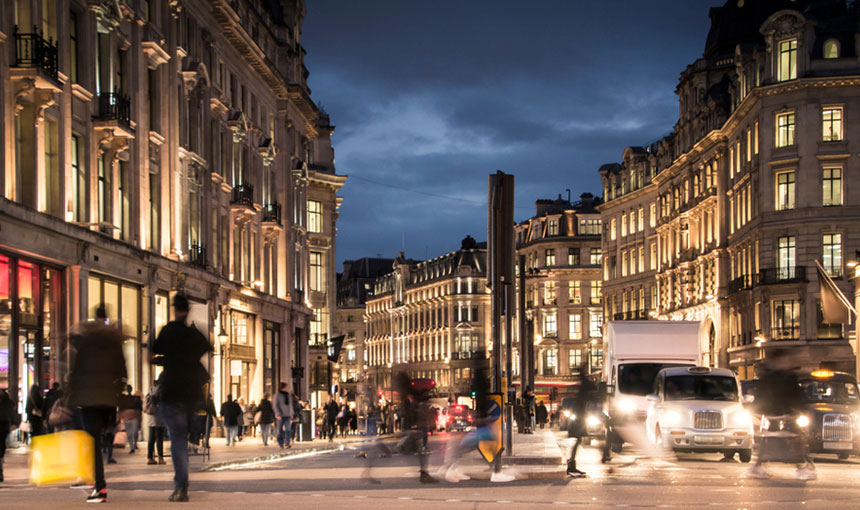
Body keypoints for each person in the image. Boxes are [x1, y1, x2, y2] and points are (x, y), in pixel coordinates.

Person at [151, 294, 212, 502]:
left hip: (172, 392)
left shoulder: (168, 331)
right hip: (191, 395)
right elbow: (207, 347)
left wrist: (165, 359)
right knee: (182, 438)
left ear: (175, 310)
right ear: (188, 312)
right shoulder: (193, 335)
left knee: (176, 439)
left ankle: (181, 486)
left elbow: (153, 351)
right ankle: (182, 482)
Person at [66, 305, 127, 503]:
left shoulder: (85, 341)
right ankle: (98, 483)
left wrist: (69, 396)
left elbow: (76, 370)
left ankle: (100, 487)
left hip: (89, 398)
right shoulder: (114, 341)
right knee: (102, 437)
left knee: (93, 442)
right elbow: (122, 371)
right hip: (108, 398)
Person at [748, 349, 815, 480]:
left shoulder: (778, 376)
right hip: (780, 413)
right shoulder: (778, 377)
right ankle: (802, 466)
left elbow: (792, 394)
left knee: (776, 442)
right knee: (790, 441)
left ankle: (759, 466)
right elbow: (787, 395)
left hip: (781, 413)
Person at [566, 371, 596, 477]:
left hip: (579, 421)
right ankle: (571, 464)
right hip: (578, 422)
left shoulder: (582, 395)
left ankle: (571, 463)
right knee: (577, 440)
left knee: (577, 441)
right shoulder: (583, 395)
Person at [0, 388, 20, 483]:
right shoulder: (9, 402)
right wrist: (15, 422)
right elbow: (12, 413)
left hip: (3, 424)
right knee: (2, 444)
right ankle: (1, 461)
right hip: (5, 425)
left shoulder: (8, 402)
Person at [144, 383, 166, 465]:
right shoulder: (161, 392)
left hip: (151, 419)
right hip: (159, 419)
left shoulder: (150, 390)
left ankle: (150, 458)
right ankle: (160, 458)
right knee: (159, 439)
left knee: (151, 440)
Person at [118, 385, 143, 454]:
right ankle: (132, 447)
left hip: (133, 418)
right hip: (127, 418)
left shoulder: (135, 399)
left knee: (134, 432)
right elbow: (120, 409)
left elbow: (139, 410)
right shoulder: (125, 399)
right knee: (129, 433)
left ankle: (134, 444)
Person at [274, 383, 293, 448]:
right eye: (286, 387)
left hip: (287, 415)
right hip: (280, 416)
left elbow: (290, 405)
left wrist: (291, 413)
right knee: (280, 430)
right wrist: (278, 414)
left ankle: (287, 443)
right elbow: (275, 405)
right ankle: (280, 443)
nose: (287, 388)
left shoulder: (288, 395)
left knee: (288, 429)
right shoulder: (277, 395)